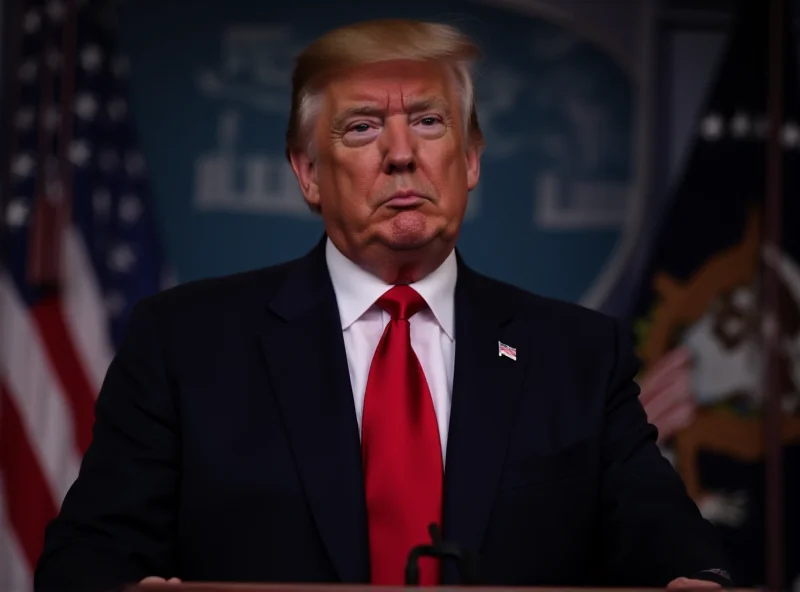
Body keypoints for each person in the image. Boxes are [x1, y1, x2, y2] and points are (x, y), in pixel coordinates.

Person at [34, 18, 733, 591]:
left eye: (429, 122)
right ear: (308, 172)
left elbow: (674, 548)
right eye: (363, 128)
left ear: (471, 160)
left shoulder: (580, 354)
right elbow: (85, 561)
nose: (402, 154)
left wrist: (695, 578)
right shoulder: (183, 344)